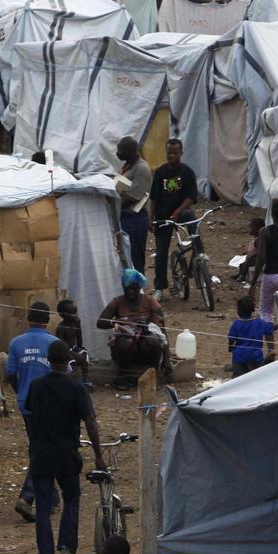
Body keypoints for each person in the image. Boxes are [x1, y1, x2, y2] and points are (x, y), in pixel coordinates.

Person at [25, 340, 105, 554]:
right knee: (71, 499)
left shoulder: (36, 386)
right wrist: (98, 455)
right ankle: (67, 550)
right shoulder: (76, 388)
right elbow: (89, 420)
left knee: (42, 507)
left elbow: (30, 414)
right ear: (68, 361)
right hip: (67, 455)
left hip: (41, 455)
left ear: (48, 361)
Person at [5, 302, 59, 523]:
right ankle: (27, 496)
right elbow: (62, 374)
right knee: (44, 449)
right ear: (48, 320)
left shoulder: (17, 343)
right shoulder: (54, 344)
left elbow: (10, 374)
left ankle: (51, 496)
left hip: (26, 404)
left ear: (29, 318)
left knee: (41, 446)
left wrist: (21, 393)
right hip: (49, 406)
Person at [96, 269, 169, 389]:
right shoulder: (118, 301)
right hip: (126, 348)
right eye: (127, 288)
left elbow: (162, 329)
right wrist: (119, 322)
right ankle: (124, 375)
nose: (130, 292)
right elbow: (100, 322)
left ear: (139, 287)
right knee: (126, 342)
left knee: (152, 340)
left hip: (146, 347)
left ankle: (154, 372)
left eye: (134, 288)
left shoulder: (149, 301)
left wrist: (167, 360)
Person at [148, 139, 198, 302]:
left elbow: (191, 197)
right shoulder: (160, 173)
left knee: (190, 217)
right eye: (169, 152)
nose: (171, 156)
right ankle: (159, 287)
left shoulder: (187, 172)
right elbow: (154, 198)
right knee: (161, 252)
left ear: (181, 153)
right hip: (163, 216)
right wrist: (151, 218)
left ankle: (200, 252)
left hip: (180, 212)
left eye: (175, 153)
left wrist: (178, 211)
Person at [115, 136, 152, 273]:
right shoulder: (129, 166)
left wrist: (113, 206)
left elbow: (132, 197)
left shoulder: (141, 169)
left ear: (131, 151)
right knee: (125, 256)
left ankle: (137, 289)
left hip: (135, 219)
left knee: (135, 258)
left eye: (121, 151)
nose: (118, 154)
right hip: (126, 217)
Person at [228, 295, 276, 376]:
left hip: (239, 357)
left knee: (238, 379)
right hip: (255, 357)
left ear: (238, 311)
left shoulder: (236, 324)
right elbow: (271, 328)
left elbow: (231, 338)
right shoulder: (259, 323)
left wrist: (230, 347)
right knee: (255, 377)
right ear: (253, 310)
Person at [55, 299, 90, 388]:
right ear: (64, 315)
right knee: (68, 364)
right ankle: (69, 383)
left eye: (76, 312)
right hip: (65, 352)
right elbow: (62, 348)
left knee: (84, 356)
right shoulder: (61, 328)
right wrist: (74, 354)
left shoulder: (77, 322)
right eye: (73, 313)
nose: (76, 315)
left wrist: (80, 349)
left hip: (74, 348)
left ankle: (85, 380)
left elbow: (79, 337)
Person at [236, 218, 262, 283]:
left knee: (246, 262)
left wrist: (250, 256)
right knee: (242, 264)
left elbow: (259, 251)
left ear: (257, 229)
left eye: (251, 228)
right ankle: (240, 274)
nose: (249, 229)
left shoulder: (259, 239)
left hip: (256, 259)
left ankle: (242, 275)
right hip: (252, 257)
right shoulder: (256, 238)